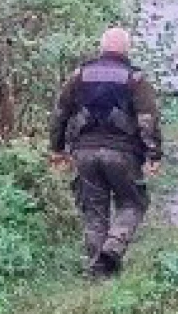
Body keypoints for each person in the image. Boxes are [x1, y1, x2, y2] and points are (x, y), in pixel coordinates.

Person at [49, 27, 163, 278]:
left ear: (102, 48)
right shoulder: (135, 80)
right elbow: (147, 120)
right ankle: (113, 247)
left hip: (84, 153)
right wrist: (154, 154)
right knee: (133, 202)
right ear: (126, 49)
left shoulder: (79, 75)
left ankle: (96, 267)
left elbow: (60, 114)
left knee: (93, 208)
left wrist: (57, 149)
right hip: (123, 154)